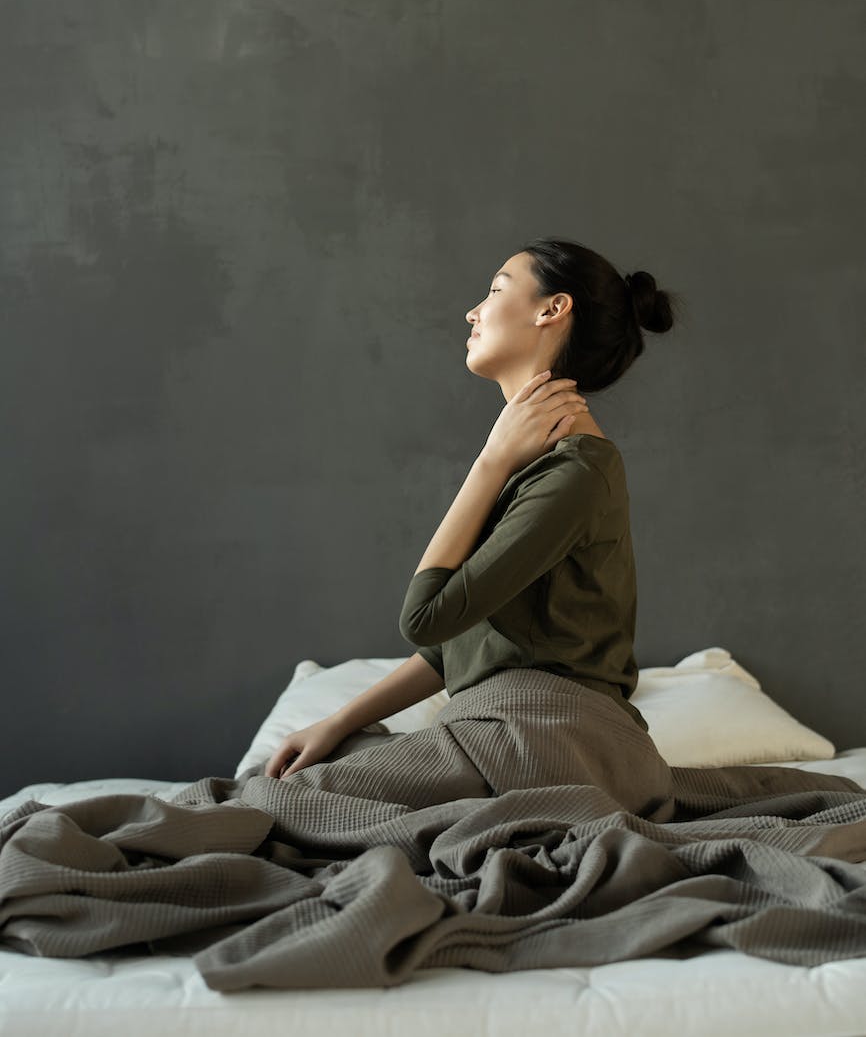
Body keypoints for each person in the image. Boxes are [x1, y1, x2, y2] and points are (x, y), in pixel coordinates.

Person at [263, 237, 684, 814]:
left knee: (280, 803)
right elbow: (455, 644)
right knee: (324, 762)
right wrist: (335, 722)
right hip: (520, 729)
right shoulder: (541, 462)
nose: (473, 311)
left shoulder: (576, 471)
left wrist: (489, 461)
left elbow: (424, 617)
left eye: (494, 290)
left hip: (549, 734)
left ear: (552, 309)